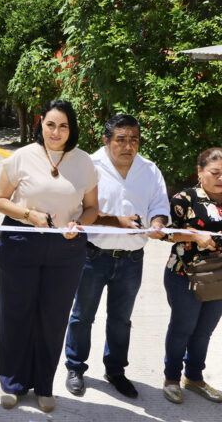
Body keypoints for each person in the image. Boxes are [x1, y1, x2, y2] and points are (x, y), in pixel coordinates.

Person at [0, 99, 99, 413]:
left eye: (63, 125)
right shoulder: (22, 157)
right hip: (20, 242)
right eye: (51, 124)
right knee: (15, 315)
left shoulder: (83, 162)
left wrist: (80, 224)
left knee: (52, 319)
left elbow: (92, 208)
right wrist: (29, 214)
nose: (56, 131)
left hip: (66, 250)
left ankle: (44, 385)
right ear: (41, 123)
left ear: (71, 129)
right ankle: (12, 384)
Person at [63, 114, 169, 399]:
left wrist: (158, 223)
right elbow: (79, 212)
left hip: (132, 260)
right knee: (82, 315)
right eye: (121, 139)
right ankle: (75, 367)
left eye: (134, 139)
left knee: (121, 319)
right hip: (93, 256)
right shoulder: (90, 167)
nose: (128, 146)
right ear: (106, 140)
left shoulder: (149, 170)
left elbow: (160, 205)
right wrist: (117, 221)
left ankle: (116, 370)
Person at [160, 147, 222, 404]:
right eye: (215, 173)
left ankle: (194, 377)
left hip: (218, 277)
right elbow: (165, 232)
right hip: (184, 274)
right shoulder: (184, 199)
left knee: (204, 331)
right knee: (182, 328)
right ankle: (172, 378)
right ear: (200, 172)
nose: (221, 179)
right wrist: (195, 236)